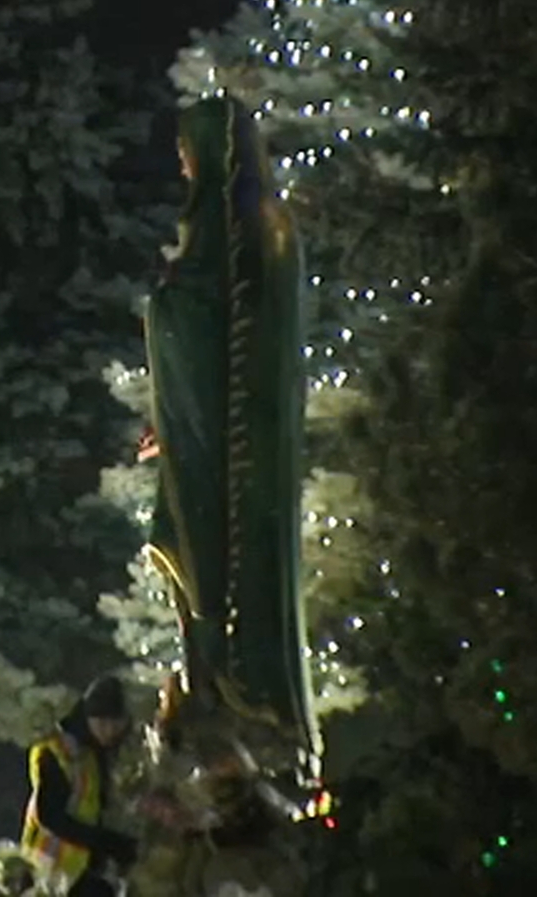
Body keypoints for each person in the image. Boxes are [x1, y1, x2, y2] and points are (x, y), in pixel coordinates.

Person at [142, 94, 320, 764]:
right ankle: (206, 679)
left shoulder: (250, 230)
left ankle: (233, 687)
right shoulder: (234, 229)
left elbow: (219, 331)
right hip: (204, 433)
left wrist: (167, 300)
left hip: (232, 455)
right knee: (190, 566)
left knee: (215, 561)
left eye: (191, 155)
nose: (185, 170)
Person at [22, 675, 141, 895]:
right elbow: (50, 816)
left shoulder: (104, 752)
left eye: (115, 724)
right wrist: (107, 842)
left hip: (85, 870)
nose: (109, 731)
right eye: (102, 723)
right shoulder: (57, 750)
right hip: (52, 870)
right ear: (87, 717)